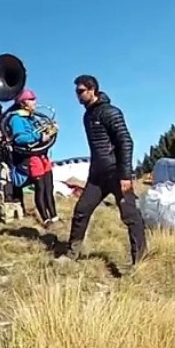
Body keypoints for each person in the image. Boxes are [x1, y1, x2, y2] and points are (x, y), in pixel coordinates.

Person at [62, 74, 147, 265]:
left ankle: (140, 260)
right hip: (97, 176)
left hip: (117, 173)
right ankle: (71, 254)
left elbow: (125, 142)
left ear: (92, 90)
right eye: (76, 92)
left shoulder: (110, 112)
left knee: (130, 216)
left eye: (81, 91)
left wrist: (125, 175)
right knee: (81, 211)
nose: (78, 95)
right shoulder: (87, 115)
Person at [6, 89, 59, 224]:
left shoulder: (32, 118)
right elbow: (19, 139)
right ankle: (46, 219)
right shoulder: (16, 119)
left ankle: (54, 216)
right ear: (23, 103)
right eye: (31, 99)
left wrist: (50, 131)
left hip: (42, 156)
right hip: (32, 158)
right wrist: (40, 136)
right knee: (40, 188)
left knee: (49, 187)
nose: (35, 102)